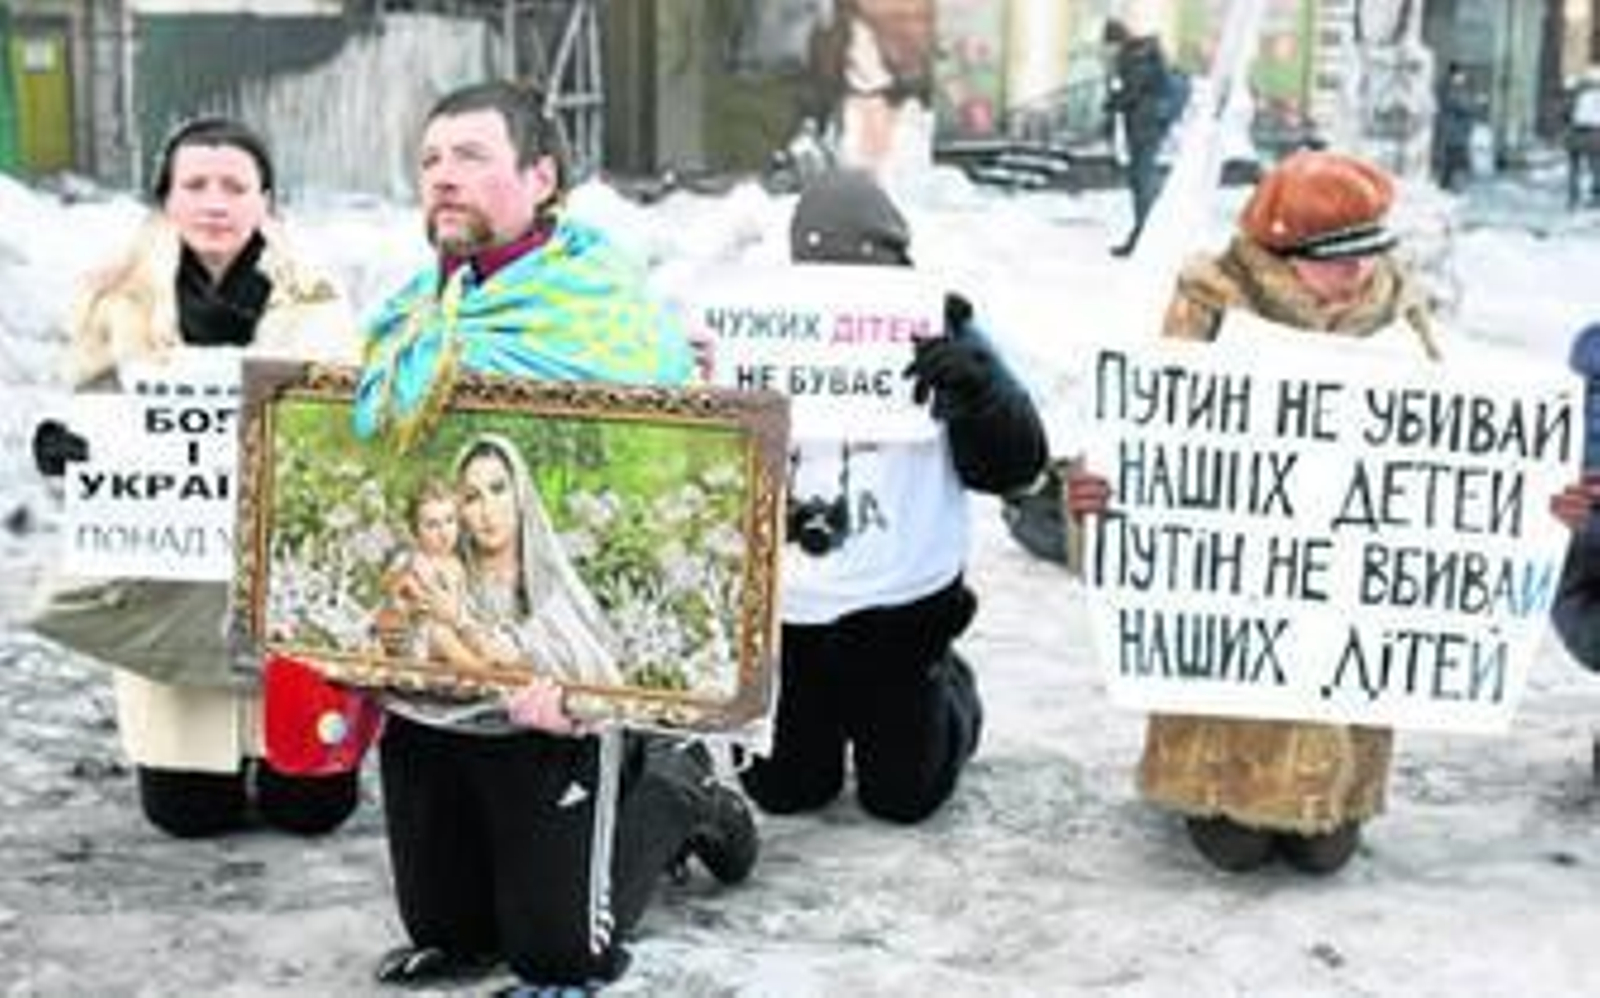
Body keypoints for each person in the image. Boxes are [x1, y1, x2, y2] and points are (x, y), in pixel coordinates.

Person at [347, 81, 757, 995]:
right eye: (429, 160)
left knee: (561, 956)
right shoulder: (411, 318)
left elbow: (660, 513)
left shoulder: (604, 312)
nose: (442, 178)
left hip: (554, 688)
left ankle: (681, 788)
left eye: (470, 157)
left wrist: (597, 676)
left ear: (541, 176)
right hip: (437, 678)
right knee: (453, 936)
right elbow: (371, 483)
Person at [1066, 149, 1442, 874]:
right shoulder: (1208, 309)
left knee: (1325, 853)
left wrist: (1525, 506)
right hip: (1238, 589)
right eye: (1335, 258)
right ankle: (1207, 784)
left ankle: (1328, 787)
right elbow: (1150, 435)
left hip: (1343, 579)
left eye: (1367, 253)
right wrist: (1103, 493)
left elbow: (1451, 453)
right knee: (1233, 846)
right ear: (1280, 252)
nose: (1355, 274)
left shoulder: (1397, 313)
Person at [28, 116, 363, 839]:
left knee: (311, 811)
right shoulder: (113, 301)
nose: (216, 201)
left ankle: (296, 754)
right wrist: (65, 445)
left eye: (235, 186)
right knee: (188, 818)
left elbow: (347, 422)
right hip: (170, 579)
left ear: (265, 201)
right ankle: (192, 761)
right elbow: (86, 408)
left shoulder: (318, 300)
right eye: (196, 185)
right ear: (166, 199)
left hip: (283, 583)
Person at [737, 168, 1048, 824]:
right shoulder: (759, 330)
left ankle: (951, 686)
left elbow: (1018, 465)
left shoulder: (942, 329)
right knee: (786, 790)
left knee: (905, 796)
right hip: (791, 615)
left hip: (899, 611)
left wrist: (981, 394)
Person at [1102, 17, 1180, 257]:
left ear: (1117, 39)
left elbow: (1132, 91)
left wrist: (1112, 102)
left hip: (1146, 126)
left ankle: (1147, 237)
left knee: (1142, 181)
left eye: (1109, 43)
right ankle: (1145, 235)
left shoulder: (1137, 56)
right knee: (1141, 181)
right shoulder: (1142, 53)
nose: (1109, 49)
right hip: (1145, 125)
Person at [1433, 62, 1476, 192]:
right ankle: (1448, 181)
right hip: (1453, 129)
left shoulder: (1449, 86)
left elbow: (1467, 107)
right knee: (1453, 156)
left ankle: (1449, 181)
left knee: (1454, 156)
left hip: (1455, 129)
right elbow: (1463, 105)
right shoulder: (1448, 87)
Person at [1565, 68, 1600, 209]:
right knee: (1595, 166)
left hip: (1577, 132)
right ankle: (1596, 195)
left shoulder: (1576, 95)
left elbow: (1566, 113)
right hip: (1595, 133)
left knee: (1574, 167)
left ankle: (1573, 196)